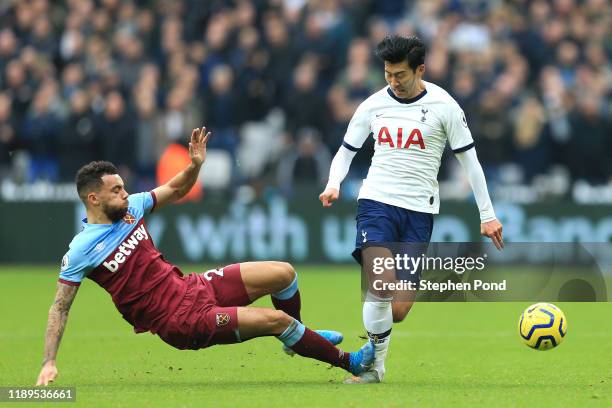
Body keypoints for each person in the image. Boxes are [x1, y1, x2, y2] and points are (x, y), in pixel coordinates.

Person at [36, 127, 374, 386]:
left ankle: (299, 338)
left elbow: (177, 189)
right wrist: (48, 361)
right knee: (277, 322)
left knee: (282, 273)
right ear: (93, 199)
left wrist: (195, 165)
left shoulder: (130, 208)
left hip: (192, 287)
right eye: (116, 191)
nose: (125, 194)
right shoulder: (81, 250)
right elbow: (59, 307)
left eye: (124, 187)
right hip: (179, 321)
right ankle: (350, 363)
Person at [318, 35, 504, 384]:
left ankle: (375, 345)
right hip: (376, 202)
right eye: (388, 74)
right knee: (380, 284)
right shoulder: (373, 105)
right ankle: (375, 368)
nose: (393, 81)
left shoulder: (445, 106)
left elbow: (471, 162)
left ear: (420, 69)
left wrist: (487, 214)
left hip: (419, 211)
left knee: (398, 310)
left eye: (400, 74)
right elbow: (346, 150)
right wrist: (334, 183)